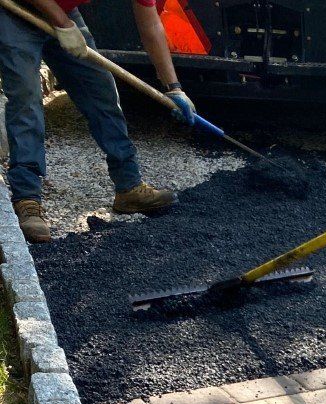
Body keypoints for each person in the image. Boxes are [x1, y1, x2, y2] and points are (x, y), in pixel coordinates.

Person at [0, 0, 196, 243]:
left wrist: (173, 88)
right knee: (26, 99)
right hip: (15, 11)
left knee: (101, 91)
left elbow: (151, 24)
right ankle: (27, 199)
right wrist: (63, 23)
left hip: (64, 10)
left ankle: (128, 187)